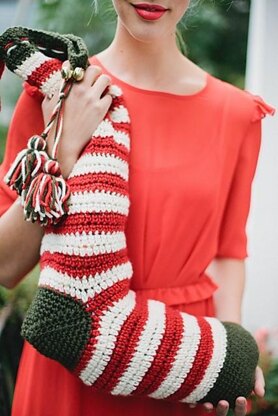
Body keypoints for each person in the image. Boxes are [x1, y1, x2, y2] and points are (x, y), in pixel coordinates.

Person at [0, 1, 274, 415]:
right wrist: (64, 151)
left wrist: (226, 349)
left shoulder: (236, 114)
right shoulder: (59, 89)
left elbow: (228, 252)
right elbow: (6, 266)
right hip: (72, 354)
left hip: (180, 360)